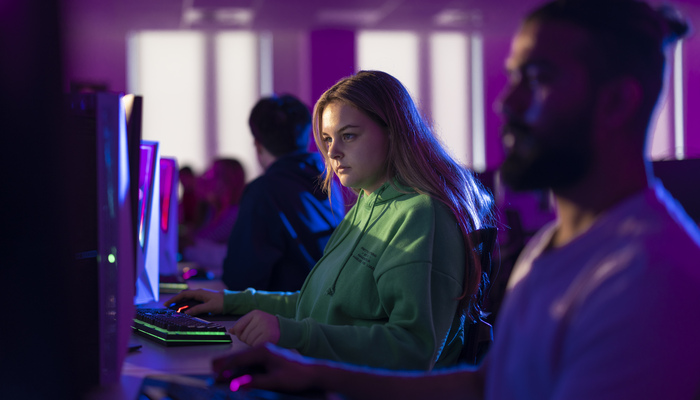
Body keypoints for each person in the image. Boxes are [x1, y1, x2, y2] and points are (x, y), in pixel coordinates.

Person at [208, 0, 700, 399]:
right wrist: (317, 375)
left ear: (617, 102)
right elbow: (491, 385)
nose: (504, 102)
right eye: (513, 78)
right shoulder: (556, 244)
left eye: (539, 78)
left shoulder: (647, 277)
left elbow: (416, 347)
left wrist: (299, 346)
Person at [169, 72, 496, 371]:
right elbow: (316, 304)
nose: (333, 152)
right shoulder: (366, 202)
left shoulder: (422, 214)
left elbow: (414, 349)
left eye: (348, 136)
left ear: (394, 133)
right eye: (327, 139)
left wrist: (296, 334)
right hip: (330, 378)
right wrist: (229, 302)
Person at [221, 94, 346, 291]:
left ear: (257, 144)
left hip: (280, 314)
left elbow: (240, 279)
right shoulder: (330, 184)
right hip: (322, 306)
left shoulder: (262, 192)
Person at [181, 158, 246, 273]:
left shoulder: (235, 213)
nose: (206, 178)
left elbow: (201, 240)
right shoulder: (212, 210)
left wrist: (187, 244)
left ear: (228, 181)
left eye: (213, 174)